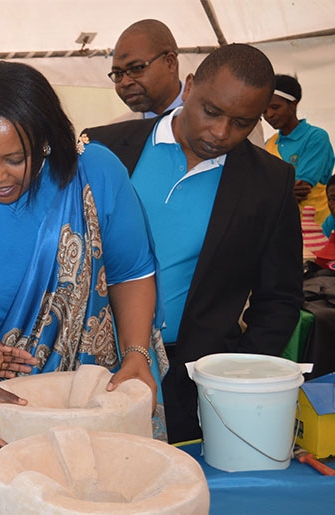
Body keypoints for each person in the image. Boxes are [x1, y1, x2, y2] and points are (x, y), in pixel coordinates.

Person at [0, 61, 164, 481]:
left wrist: (136, 354)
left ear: (45, 140)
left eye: (14, 158)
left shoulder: (94, 172)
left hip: (90, 388)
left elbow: (129, 273)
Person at [85, 44, 303, 443]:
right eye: (211, 111)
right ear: (188, 87)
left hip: (187, 382)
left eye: (242, 122)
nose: (221, 133)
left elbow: (280, 298)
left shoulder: (269, 183)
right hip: (84, 370)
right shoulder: (101, 149)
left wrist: (228, 375)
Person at [109, 19, 264, 145]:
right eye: (117, 74)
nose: (124, 82)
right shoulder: (114, 133)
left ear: (170, 62)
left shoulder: (232, 123)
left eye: (136, 68)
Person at [265, 74, 335, 225]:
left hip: (315, 226)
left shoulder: (315, 137)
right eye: (264, 111)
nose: (269, 115)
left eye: (275, 107)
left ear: (293, 104)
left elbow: (302, 189)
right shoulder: (269, 144)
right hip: (282, 226)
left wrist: (269, 193)